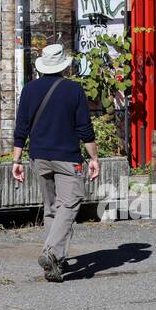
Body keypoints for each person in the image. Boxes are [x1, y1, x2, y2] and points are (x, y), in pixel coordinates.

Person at [12, 44, 99, 282]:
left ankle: (55, 263)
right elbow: (85, 129)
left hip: (39, 157)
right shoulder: (73, 90)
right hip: (68, 158)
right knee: (69, 206)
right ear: (64, 65)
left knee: (51, 209)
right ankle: (50, 253)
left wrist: (16, 160)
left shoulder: (29, 90)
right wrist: (93, 157)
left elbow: (21, 128)